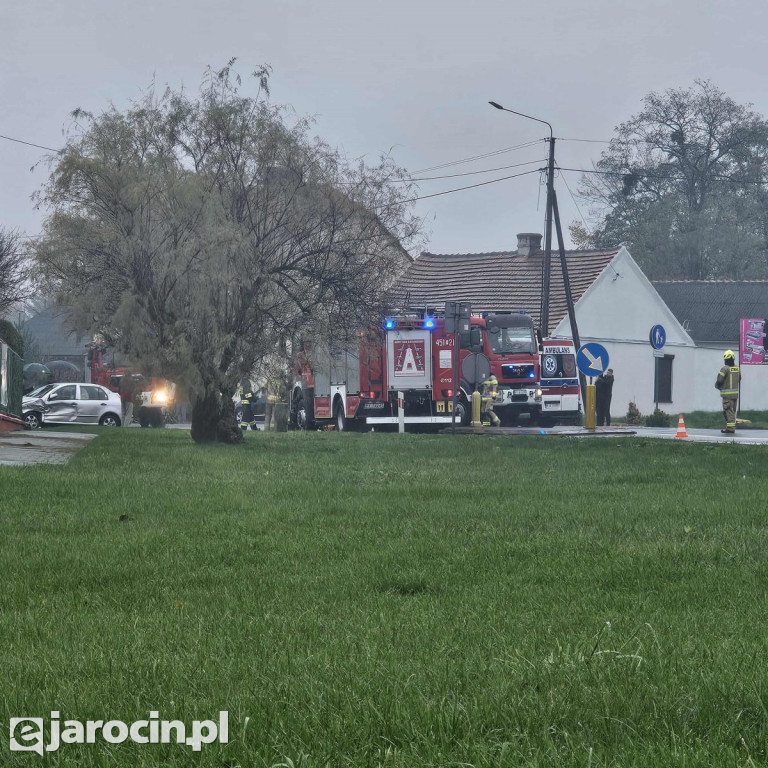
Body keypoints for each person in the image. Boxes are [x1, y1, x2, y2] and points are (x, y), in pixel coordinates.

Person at [715, 350, 741, 434]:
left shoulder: (724, 368)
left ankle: (730, 428)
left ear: (725, 359)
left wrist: (718, 385)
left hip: (727, 396)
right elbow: (739, 378)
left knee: (728, 411)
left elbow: (719, 380)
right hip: (735, 395)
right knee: (732, 411)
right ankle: (730, 426)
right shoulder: (737, 368)